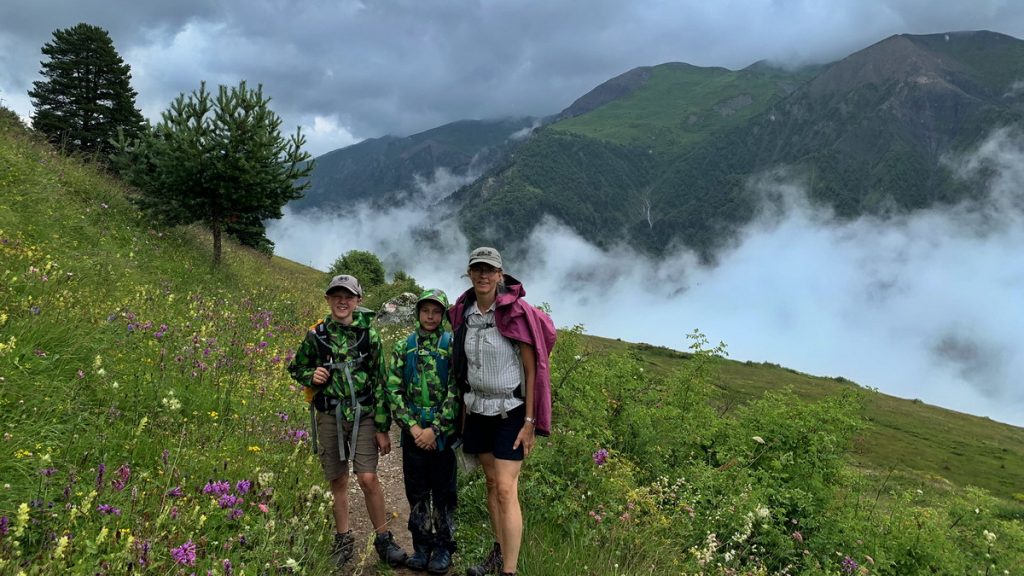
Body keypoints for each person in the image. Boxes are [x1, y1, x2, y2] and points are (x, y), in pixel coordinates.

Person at [287, 274, 408, 569]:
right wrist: (310, 375)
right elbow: (297, 367)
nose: (342, 301)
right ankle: (343, 538)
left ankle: (383, 538)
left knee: (367, 477)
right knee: (338, 479)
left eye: (349, 296)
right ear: (328, 299)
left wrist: (382, 427)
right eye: (336, 295)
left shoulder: (370, 335)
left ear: (358, 300)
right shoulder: (316, 335)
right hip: (329, 414)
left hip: (364, 414)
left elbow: (381, 381)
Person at [448, 247, 554, 576]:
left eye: (489, 270)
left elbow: (532, 369)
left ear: (500, 275)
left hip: (511, 410)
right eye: (477, 269)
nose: (483, 275)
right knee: (492, 484)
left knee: (507, 489)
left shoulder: (514, 314)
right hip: (478, 408)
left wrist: (530, 422)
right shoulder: (463, 314)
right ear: (469, 273)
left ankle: (509, 570)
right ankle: (498, 551)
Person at [385, 289, 459, 574]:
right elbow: (393, 389)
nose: (430, 316)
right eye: (425, 310)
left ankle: (443, 547)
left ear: (443, 315)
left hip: (443, 436)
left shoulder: (451, 346)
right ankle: (421, 546)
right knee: (416, 492)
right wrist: (414, 428)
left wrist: (435, 429)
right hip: (413, 433)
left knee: (443, 492)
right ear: (418, 312)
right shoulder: (405, 346)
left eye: (436, 311)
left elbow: (456, 391)